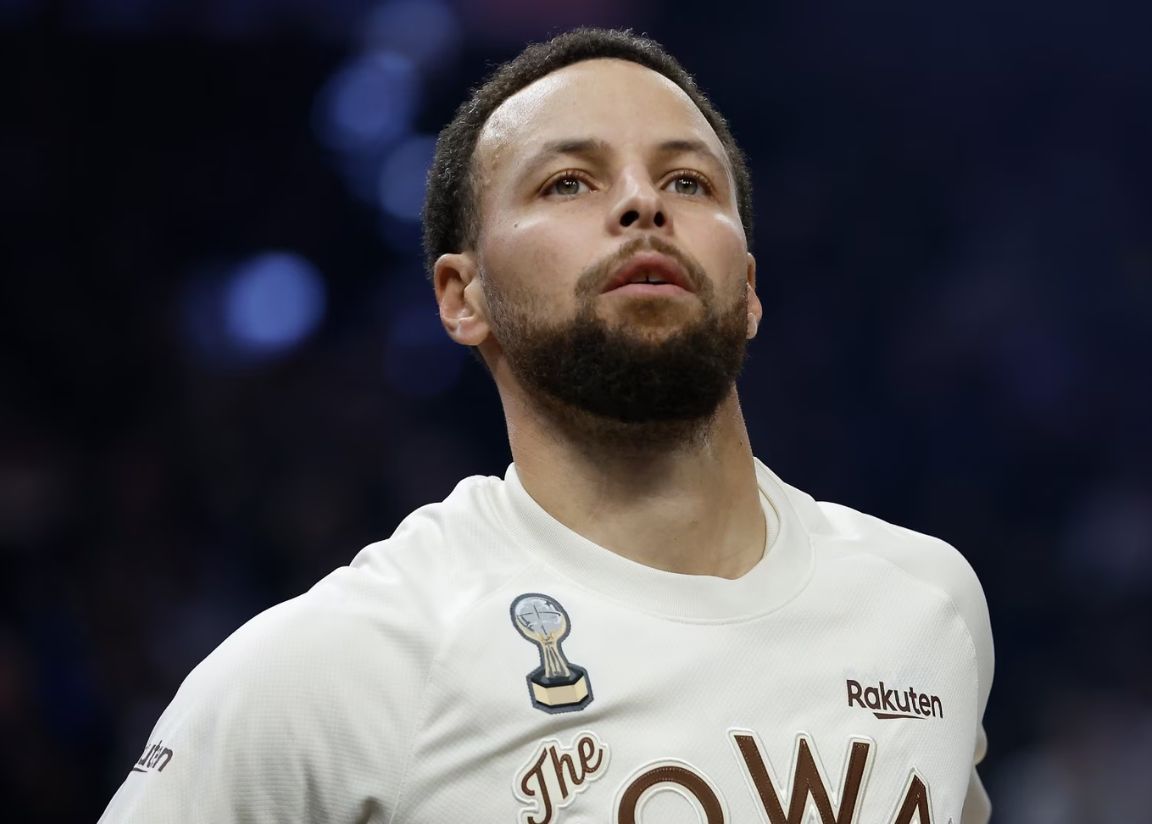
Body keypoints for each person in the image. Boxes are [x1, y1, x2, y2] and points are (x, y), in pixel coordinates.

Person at [100, 27, 993, 824]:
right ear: (463, 296)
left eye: (686, 180)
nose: (644, 206)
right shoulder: (343, 662)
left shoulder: (925, 603)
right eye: (569, 182)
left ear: (750, 288)